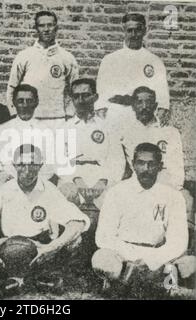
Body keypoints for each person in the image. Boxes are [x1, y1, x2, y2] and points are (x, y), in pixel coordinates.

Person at [0, 144, 90, 296]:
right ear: (14, 166)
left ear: (40, 165)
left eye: (33, 164)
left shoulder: (48, 189)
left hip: (41, 249)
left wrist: (55, 246)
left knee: (76, 240)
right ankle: (33, 280)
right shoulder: (6, 189)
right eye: (22, 165)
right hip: (9, 246)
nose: (27, 170)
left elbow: (77, 222)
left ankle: (16, 280)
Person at [92, 143, 195, 297]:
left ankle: (162, 286)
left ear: (160, 166)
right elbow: (104, 237)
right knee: (102, 259)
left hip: (157, 256)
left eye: (151, 164)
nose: (146, 169)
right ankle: (124, 282)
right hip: (123, 255)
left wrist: (150, 260)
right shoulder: (117, 192)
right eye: (140, 163)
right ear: (133, 164)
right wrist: (132, 257)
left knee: (190, 263)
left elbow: (178, 242)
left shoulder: (173, 196)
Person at [57, 79, 126, 212]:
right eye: (76, 96)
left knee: (116, 198)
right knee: (65, 195)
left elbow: (117, 161)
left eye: (86, 95)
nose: (81, 100)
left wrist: (103, 181)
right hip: (72, 178)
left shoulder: (107, 127)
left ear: (95, 97)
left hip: (102, 177)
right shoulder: (64, 128)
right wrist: (77, 180)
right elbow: (60, 164)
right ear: (71, 99)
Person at [96, 13, 170, 126]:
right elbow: (101, 98)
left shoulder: (155, 62)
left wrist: (154, 125)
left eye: (138, 30)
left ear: (145, 31)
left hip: (145, 117)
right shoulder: (109, 60)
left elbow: (162, 100)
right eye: (129, 30)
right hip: (116, 116)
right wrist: (104, 123)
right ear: (124, 30)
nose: (134, 35)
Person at [7, 11, 79, 121]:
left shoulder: (67, 58)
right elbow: (12, 87)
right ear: (36, 28)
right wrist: (14, 113)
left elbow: (74, 90)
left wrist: (69, 114)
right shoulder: (24, 56)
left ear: (56, 27)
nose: (46, 29)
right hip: (30, 118)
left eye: (50, 25)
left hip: (57, 119)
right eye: (41, 25)